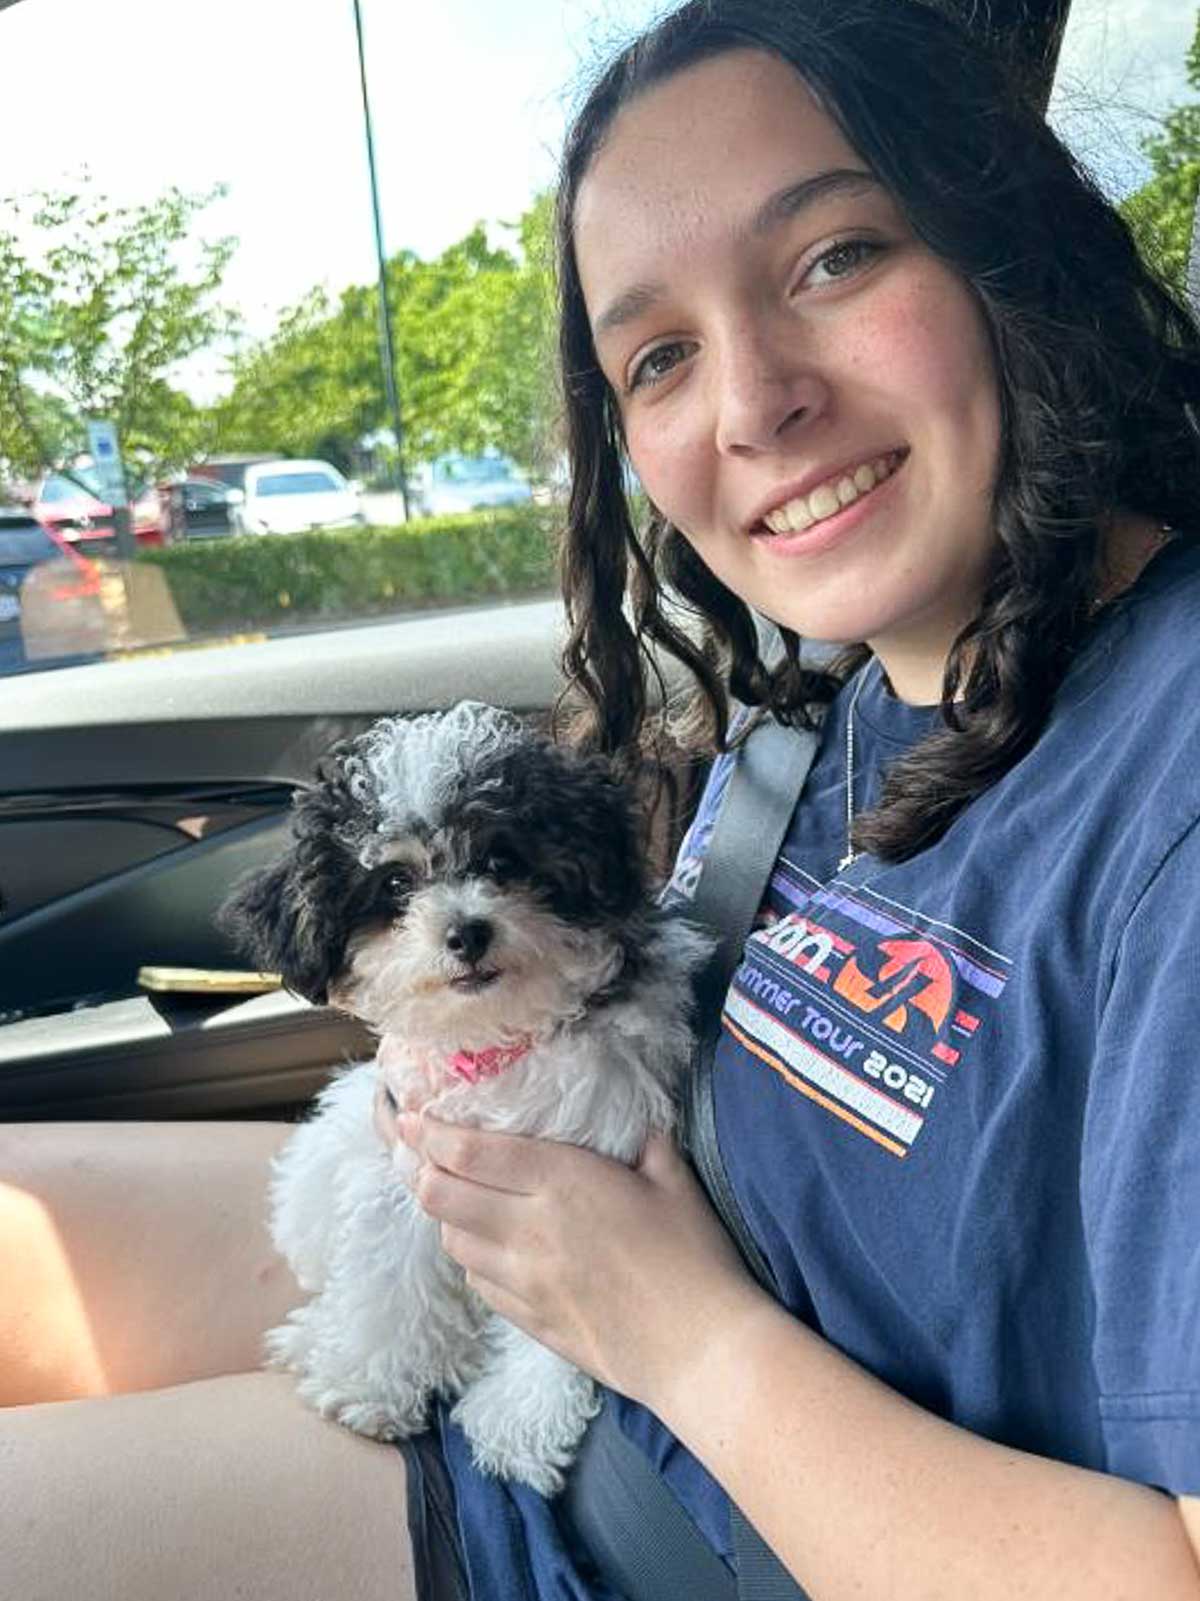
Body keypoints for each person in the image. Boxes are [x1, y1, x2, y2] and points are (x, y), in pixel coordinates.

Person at [3, 1, 1200, 1597]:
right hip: (545, 1278)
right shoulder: (856, 689)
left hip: (650, 1507)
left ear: (1005, 242)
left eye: (834, 256)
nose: (751, 402)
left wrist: (674, 1332)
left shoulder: (1164, 794)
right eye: (660, 353)